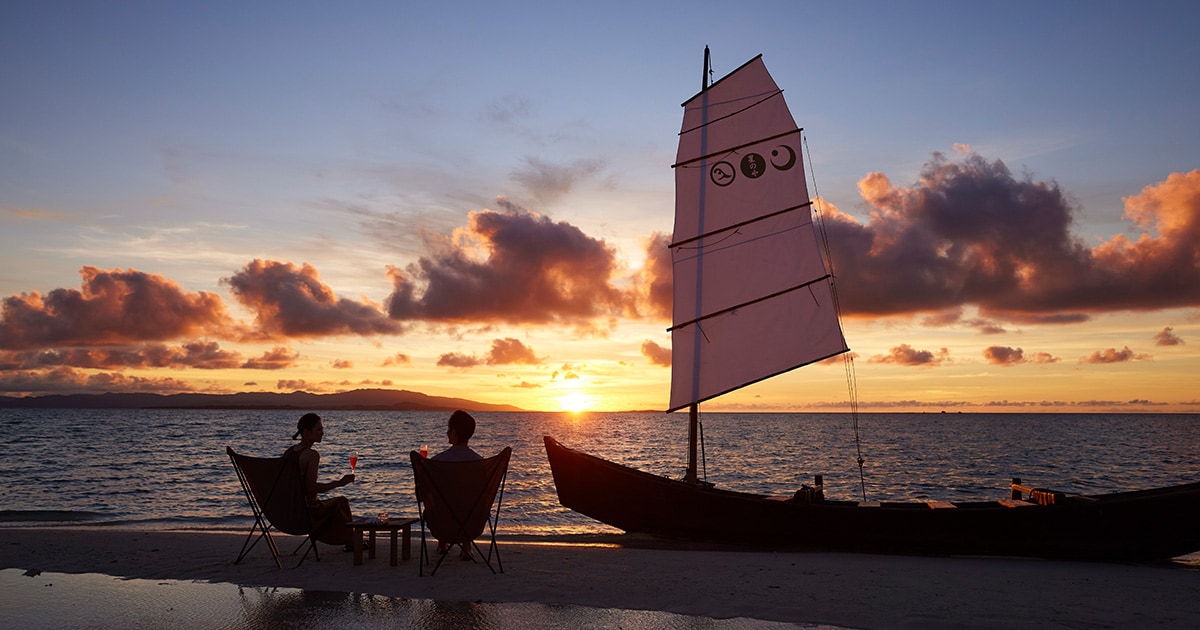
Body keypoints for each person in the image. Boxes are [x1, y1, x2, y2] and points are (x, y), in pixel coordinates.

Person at [284, 412, 357, 550]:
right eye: (319, 429)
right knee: (341, 502)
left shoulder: (290, 452)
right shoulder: (311, 455)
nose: (322, 433)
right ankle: (351, 543)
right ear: (307, 432)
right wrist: (339, 483)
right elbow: (311, 488)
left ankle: (345, 539)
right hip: (308, 511)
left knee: (332, 504)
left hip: (289, 510)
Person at [430, 410, 482, 559]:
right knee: (468, 501)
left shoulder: (437, 462)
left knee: (439, 499)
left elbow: (423, 494)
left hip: (442, 525)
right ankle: (466, 547)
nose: (447, 433)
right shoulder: (480, 463)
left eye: (448, 430)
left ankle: (442, 544)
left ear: (453, 432)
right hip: (473, 524)